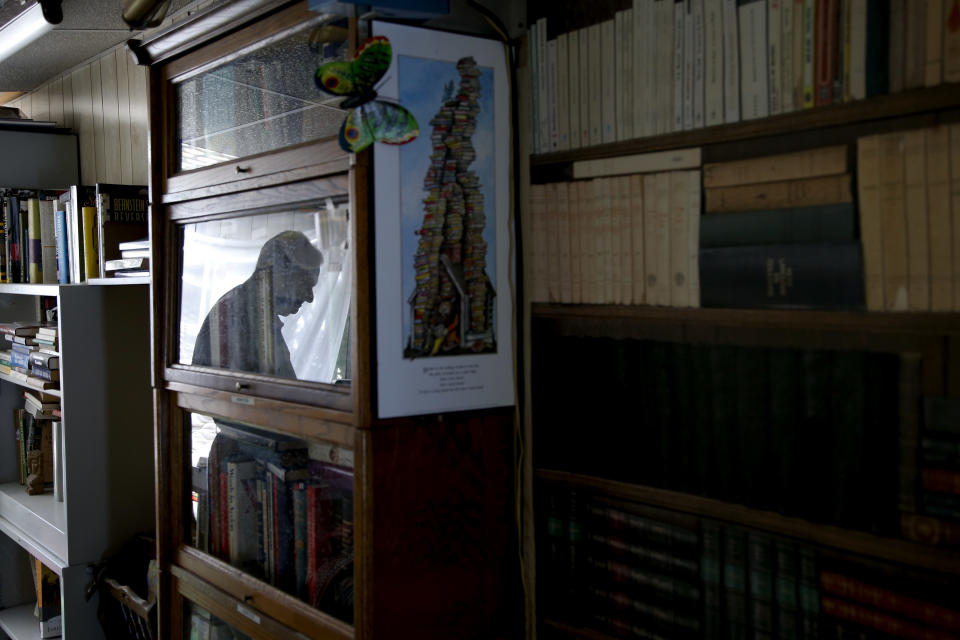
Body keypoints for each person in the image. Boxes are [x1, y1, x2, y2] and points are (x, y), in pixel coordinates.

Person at [192, 230, 323, 378]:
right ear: (278, 273)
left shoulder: (255, 313)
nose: (309, 297)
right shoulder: (236, 314)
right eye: (305, 284)